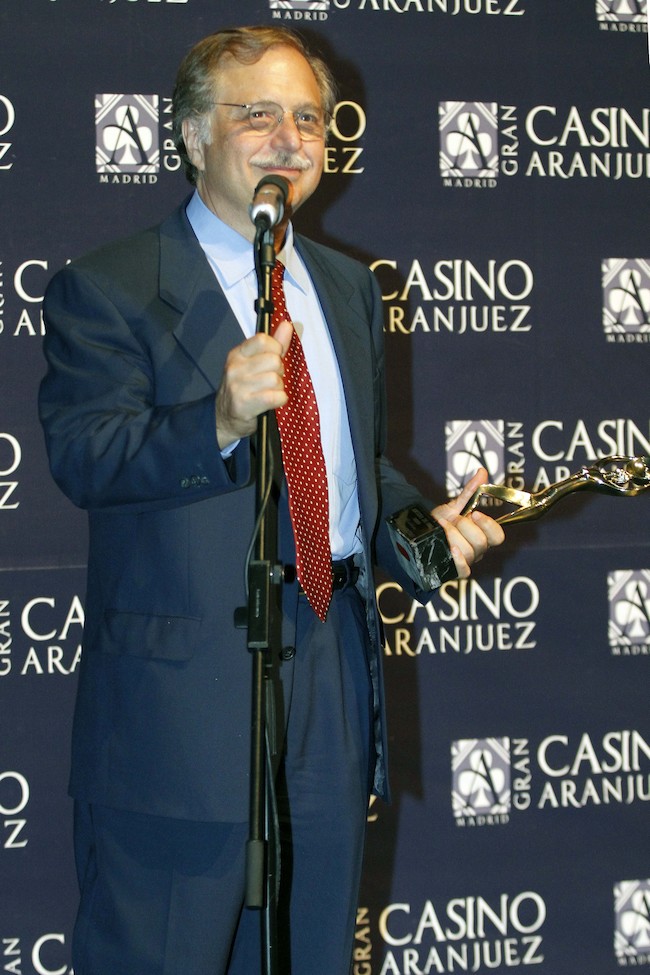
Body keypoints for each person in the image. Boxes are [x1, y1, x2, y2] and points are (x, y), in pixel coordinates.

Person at [38, 25, 505, 975]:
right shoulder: (111, 286)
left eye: (310, 119)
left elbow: (347, 465)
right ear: (192, 133)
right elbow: (85, 458)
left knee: (313, 948)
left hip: (331, 657)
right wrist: (214, 419)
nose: (291, 140)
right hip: (185, 700)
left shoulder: (345, 286)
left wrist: (414, 528)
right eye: (258, 115)